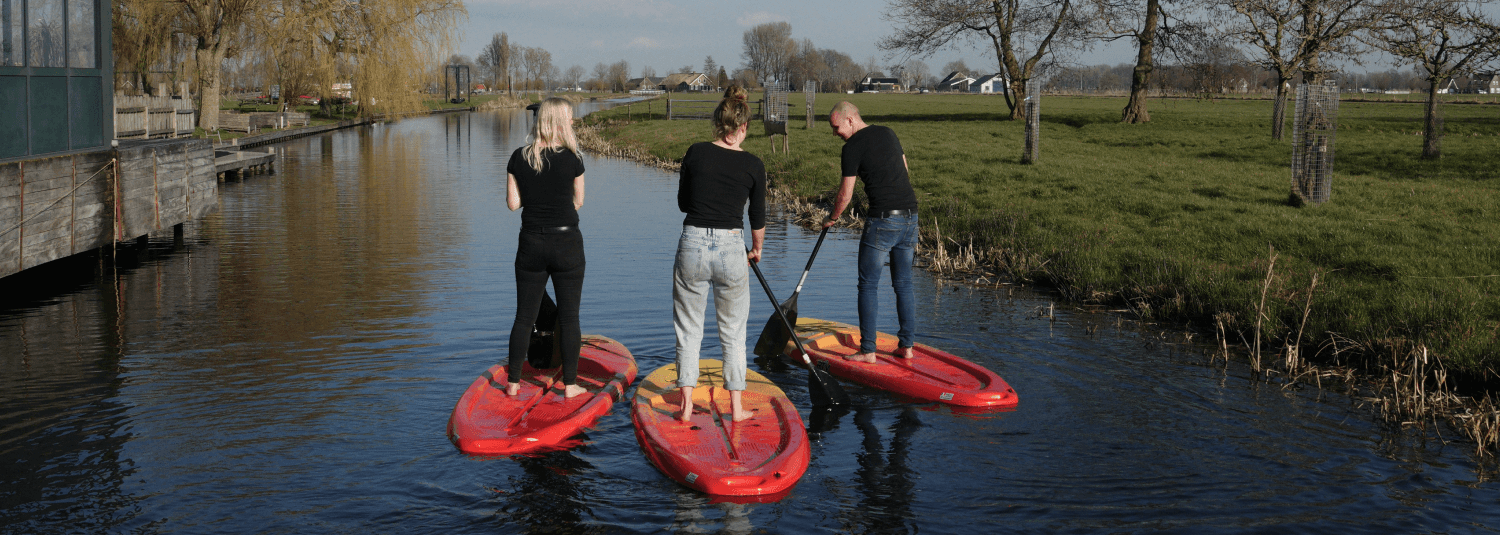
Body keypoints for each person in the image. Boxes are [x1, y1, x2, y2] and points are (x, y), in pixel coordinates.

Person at [673, 85, 766, 423]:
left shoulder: (695, 152)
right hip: (731, 246)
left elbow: (684, 203)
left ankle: (684, 406)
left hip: (692, 243)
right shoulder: (754, 164)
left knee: (688, 328)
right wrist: (756, 250)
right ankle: (736, 408)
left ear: (718, 122)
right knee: (733, 332)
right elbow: (757, 218)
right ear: (743, 127)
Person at [822, 101, 919, 364]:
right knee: (904, 284)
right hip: (911, 217)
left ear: (850, 120)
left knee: (867, 285)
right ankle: (907, 347)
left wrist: (831, 218)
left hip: (883, 220)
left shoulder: (851, 147)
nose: (835, 133)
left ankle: (867, 351)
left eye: (836, 127)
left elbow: (845, 194)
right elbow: (904, 170)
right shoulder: (887, 132)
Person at [505, 97, 588, 398]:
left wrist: (534, 193)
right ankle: (571, 385)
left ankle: (513, 384)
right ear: (560, 123)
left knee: (524, 316)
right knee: (569, 317)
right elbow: (578, 202)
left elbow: (513, 204)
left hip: (531, 244)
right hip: (567, 244)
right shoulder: (573, 159)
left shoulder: (518, 157)